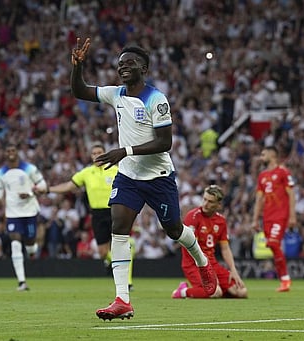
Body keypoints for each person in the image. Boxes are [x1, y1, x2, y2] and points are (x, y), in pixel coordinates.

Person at [71, 37, 218, 320]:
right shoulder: (116, 94)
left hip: (158, 176)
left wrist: (123, 150)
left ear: (144, 68)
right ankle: (122, 299)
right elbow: (80, 91)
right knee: (119, 226)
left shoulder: (156, 99)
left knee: (174, 230)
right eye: (120, 64)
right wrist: (77, 67)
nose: (123, 67)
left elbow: (165, 142)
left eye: (130, 63)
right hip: (129, 176)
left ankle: (202, 261)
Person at [34, 143, 134, 289]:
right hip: (97, 215)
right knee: (102, 252)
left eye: (99, 152)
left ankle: (128, 281)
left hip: (114, 211)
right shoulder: (86, 173)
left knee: (122, 246)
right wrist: (48, 189)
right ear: (91, 156)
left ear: (105, 153)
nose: (97, 155)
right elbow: (68, 186)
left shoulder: (115, 170)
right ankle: (110, 262)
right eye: (94, 153)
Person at [172, 185, 247, 299]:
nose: (205, 204)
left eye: (210, 201)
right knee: (215, 292)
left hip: (212, 264)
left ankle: (210, 291)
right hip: (194, 263)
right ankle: (182, 291)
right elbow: (188, 246)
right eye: (205, 199)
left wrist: (233, 270)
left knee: (241, 292)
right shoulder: (193, 216)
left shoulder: (221, 221)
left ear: (219, 205)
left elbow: (225, 248)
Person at [0, 142, 48, 291]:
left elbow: (43, 186)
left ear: (17, 152)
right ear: (5, 153)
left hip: (29, 211)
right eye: (8, 150)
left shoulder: (29, 169)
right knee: (15, 242)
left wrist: (30, 193)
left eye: (13, 150)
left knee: (30, 245)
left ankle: (31, 251)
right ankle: (22, 282)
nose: (10, 152)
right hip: (12, 213)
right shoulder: (0, 173)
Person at [252, 145, 296, 292]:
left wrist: (292, 216)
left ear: (272, 155)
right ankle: (283, 279)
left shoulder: (283, 172)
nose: (261, 157)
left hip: (280, 215)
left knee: (273, 243)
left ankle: (285, 279)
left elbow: (291, 194)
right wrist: (255, 219)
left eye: (263, 154)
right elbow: (259, 199)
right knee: (272, 246)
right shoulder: (262, 176)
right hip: (267, 217)